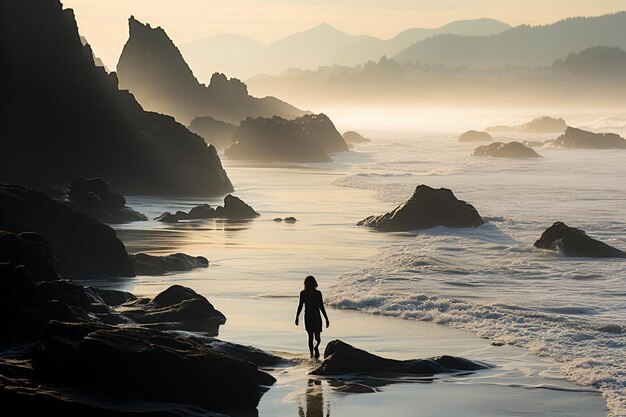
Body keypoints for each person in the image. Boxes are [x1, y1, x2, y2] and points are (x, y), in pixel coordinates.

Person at [295, 275, 330, 359]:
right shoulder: (303, 293)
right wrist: (297, 317)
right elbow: (300, 305)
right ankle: (311, 354)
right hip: (310, 316)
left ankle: (316, 347)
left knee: (317, 337)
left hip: (315, 316)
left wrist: (326, 318)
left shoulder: (318, 293)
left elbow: (321, 306)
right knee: (311, 336)